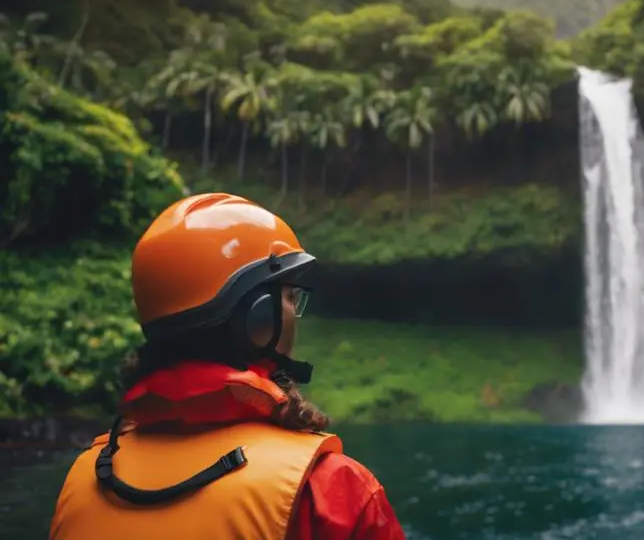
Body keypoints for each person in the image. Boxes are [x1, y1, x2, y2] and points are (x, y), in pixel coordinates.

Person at [49, 192, 406, 540]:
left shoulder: (82, 480)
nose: (293, 312)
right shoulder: (329, 491)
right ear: (258, 315)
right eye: (289, 297)